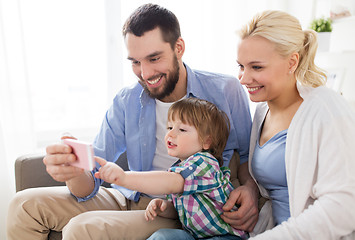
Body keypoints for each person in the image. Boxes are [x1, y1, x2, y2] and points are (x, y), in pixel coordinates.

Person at [7, 3, 259, 240]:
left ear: (178, 48)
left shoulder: (224, 90)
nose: (145, 73)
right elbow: (89, 182)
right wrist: (74, 173)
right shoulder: (126, 101)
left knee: (82, 229)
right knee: (24, 205)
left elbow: (248, 158)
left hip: (176, 208)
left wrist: (250, 190)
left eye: (154, 58)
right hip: (127, 195)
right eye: (135, 62)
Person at [236, 10, 355, 239]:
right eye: (241, 66)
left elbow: (344, 205)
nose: (243, 78)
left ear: (292, 62)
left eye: (256, 67)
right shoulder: (262, 111)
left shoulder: (326, 108)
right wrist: (250, 188)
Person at [95, 98, 248, 240]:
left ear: (206, 141)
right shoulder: (178, 168)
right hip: (196, 235)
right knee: (162, 236)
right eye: (169, 127)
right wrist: (165, 208)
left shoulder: (204, 163)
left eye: (182, 130)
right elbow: (179, 211)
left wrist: (124, 178)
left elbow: (171, 182)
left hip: (226, 236)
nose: (171, 134)